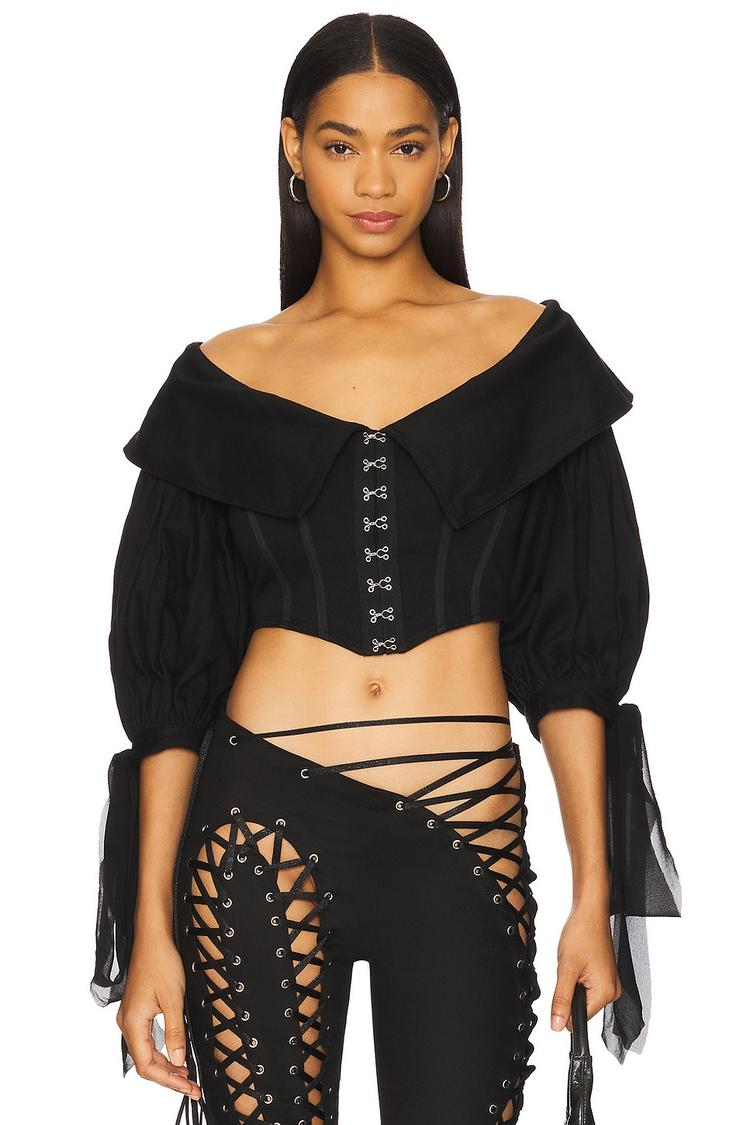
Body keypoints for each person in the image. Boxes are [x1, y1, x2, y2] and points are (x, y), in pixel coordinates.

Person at [90, 13, 682, 1125]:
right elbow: (169, 683)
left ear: (448, 145)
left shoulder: (531, 359)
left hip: (465, 821)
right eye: (341, 145)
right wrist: (150, 929)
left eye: (406, 145)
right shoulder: (218, 381)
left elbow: (574, 659)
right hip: (256, 827)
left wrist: (593, 893)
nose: (375, 182)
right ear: (292, 147)